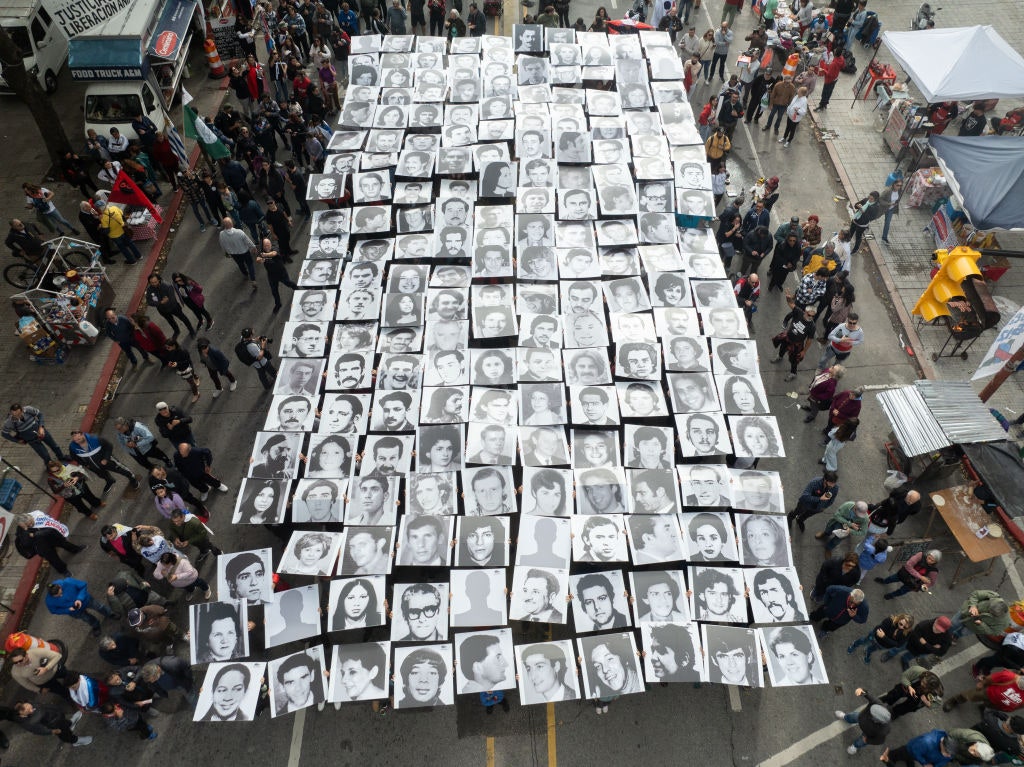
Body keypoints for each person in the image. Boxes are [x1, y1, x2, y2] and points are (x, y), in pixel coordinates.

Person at [880, 729, 995, 767]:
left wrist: (934, 765)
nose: (949, 756)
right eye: (947, 753)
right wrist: (924, 763)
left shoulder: (951, 751)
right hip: (911, 751)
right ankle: (888, 759)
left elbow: (944, 760)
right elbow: (914, 751)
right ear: (942, 744)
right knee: (900, 754)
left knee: (910, 761)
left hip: (924, 755)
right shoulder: (927, 742)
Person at [46, 577, 116, 636]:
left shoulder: (68, 581)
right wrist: (67, 610)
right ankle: (96, 625)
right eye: (57, 596)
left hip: (86, 600)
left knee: (99, 607)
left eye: (60, 593)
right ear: (51, 595)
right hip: (75, 612)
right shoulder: (49, 601)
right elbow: (54, 610)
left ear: (60, 587)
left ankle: (109, 613)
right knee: (87, 618)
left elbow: (83, 585)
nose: (60, 595)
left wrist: (79, 598)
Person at [3, 403, 69, 464]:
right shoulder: (9, 422)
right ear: (11, 413)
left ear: (22, 410)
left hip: (42, 432)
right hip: (32, 440)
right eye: (14, 414)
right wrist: (17, 441)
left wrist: (41, 427)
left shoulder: (28, 409)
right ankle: (50, 465)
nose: (17, 417)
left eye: (18, 414)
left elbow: (40, 415)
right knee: (44, 455)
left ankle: (61, 457)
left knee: (54, 446)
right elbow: (4, 434)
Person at [834, 687, 893, 755]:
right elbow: (868, 695)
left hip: (867, 733)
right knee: (852, 716)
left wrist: (868, 740)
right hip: (861, 717)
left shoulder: (884, 730)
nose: (870, 710)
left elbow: (879, 741)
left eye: (872, 713)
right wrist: (861, 691)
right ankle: (844, 717)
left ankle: (855, 746)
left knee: (861, 741)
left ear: (877, 720)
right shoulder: (877, 704)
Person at [878, 665, 944, 721]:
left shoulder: (937, 691)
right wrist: (909, 687)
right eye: (922, 681)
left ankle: (894, 713)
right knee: (894, 694)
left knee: (905, 708)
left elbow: (937, 704)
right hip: (907, 687)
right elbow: (904, 676)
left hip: (917, 698)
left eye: (925, 685)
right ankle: (885, 701)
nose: (922, 684)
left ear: (931, 688)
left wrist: (926, 701)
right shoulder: (917, 670)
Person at [12, 701, 92, 747]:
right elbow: (39, 730)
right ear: (21, 714)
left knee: (65, 723)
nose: (29, 707)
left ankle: (70, 724)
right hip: (54, 726)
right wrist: (52, 731)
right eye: (26, 709)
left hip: (56, 717)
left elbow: (44, 707)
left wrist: (58, 711)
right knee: (64, 734)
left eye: (25, 705)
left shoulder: (29, 705)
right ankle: (75, 741)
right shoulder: (27, 722)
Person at [848, 613, 915, 664]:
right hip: (874, 638)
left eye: (905, 627)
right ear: (899, 618)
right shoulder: (890, 620)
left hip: (883, 645)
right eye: (900, 624)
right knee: (864, 641)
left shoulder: (908, 632)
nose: (901, 627)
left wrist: (884, 637)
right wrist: (889, 640)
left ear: (908, 628)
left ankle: (867, 651)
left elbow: (898, 645)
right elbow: (878, 632)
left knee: (874, 649)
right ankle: (854, 645)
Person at [876, 550, 941, 599]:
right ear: (928, 554)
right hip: (905, 574)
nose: (929, 561)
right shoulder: (920, 555)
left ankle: (892, 595)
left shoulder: (933, 570)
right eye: (929, 558)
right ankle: (884, 581)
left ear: (935, 562)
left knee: (902, 591)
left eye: (932, 561)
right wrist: (920, 577)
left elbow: (931, 582)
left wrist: (925, 585)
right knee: (892, 578)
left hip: (913, 583)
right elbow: (908, 565)